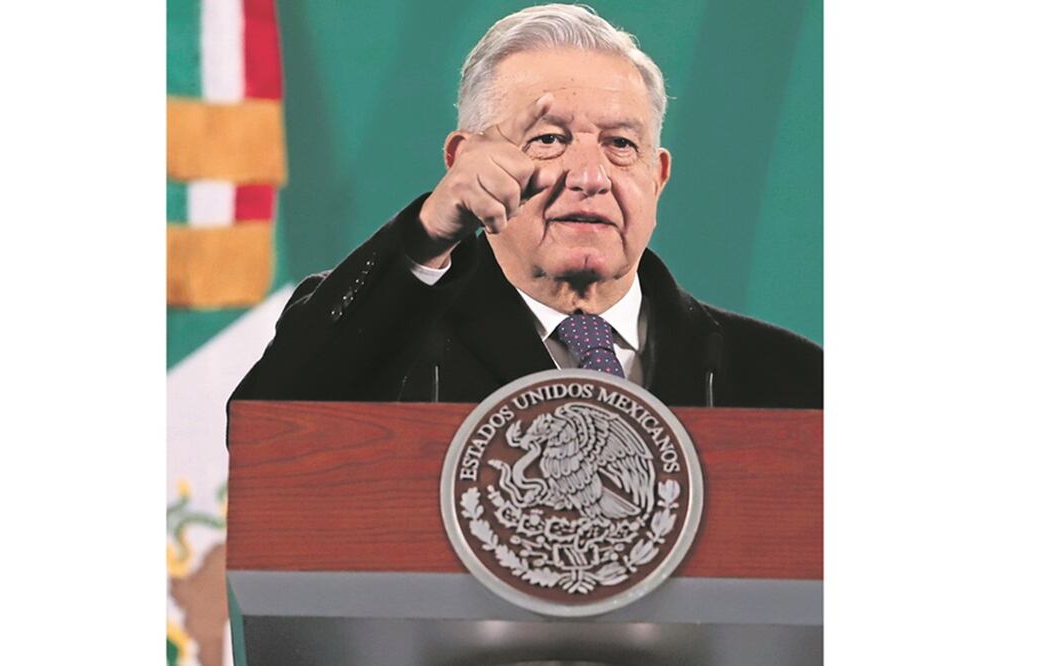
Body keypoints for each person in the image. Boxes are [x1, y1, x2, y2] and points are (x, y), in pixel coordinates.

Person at [231, 4, 822, 409]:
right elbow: (267, 430)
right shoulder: (379, 345)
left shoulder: (791, 379)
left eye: (621, 145)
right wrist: (426, 232)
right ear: (465, 161)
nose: (590, 177)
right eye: (548, 140)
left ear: (658, 175)